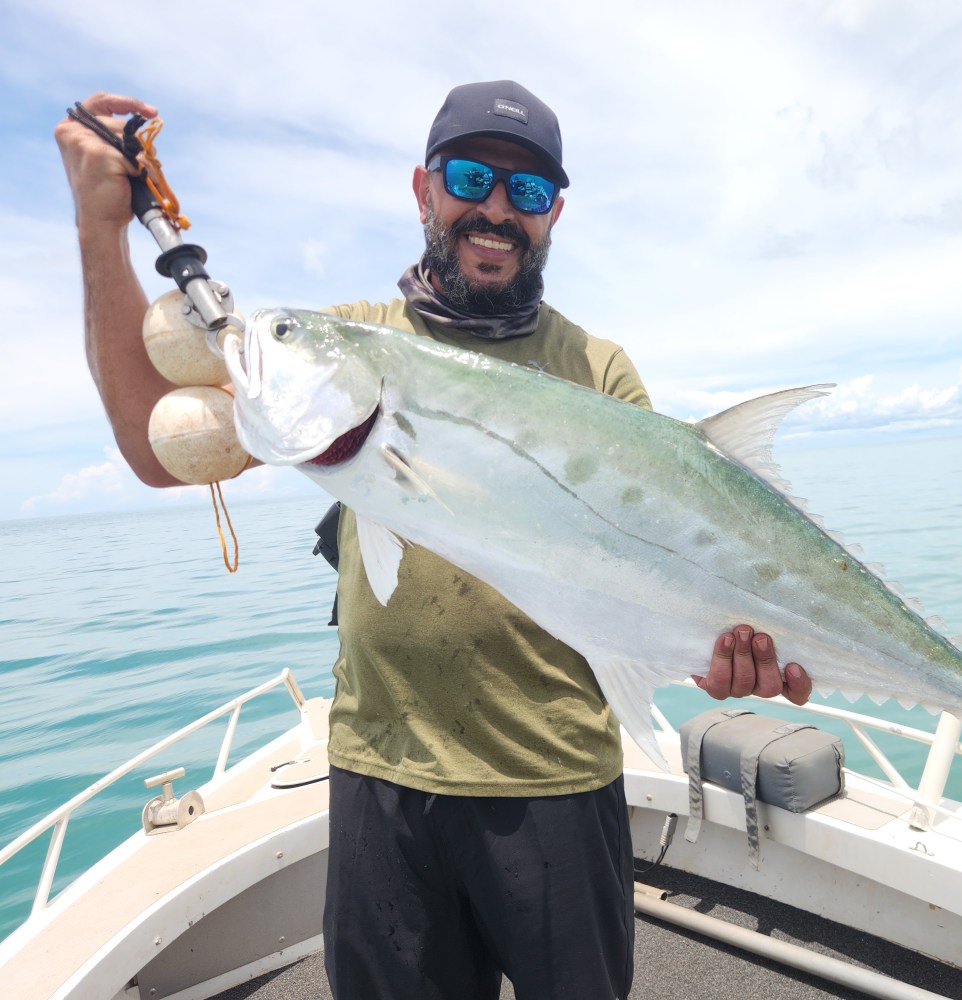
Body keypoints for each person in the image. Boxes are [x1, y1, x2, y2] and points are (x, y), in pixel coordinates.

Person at [55, 81, 813, 999]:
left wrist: (722, 645)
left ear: (553, 217)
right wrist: (101, 229)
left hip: (557, 781)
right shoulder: (356, 342)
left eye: (527, 193)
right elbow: (158, 445)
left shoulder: (595, 370)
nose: (495, 209)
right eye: (470, 177)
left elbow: (659, 557)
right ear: (424, 190)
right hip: (384, 780)